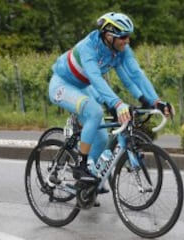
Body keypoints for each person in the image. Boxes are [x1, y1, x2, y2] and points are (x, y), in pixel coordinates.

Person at [48, 12, 174, 181]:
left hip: (83, 87)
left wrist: (155, 101)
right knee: (94, 113)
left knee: (101, 137)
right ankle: (81, 165)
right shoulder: (88, 48)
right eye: (123, 37)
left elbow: (135, 75)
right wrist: (117, 104)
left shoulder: (119, 50)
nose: (127, 41)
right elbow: (95, 78)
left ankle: (86, 183)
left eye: (128, 36)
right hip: (62, 85)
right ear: (108, 35)